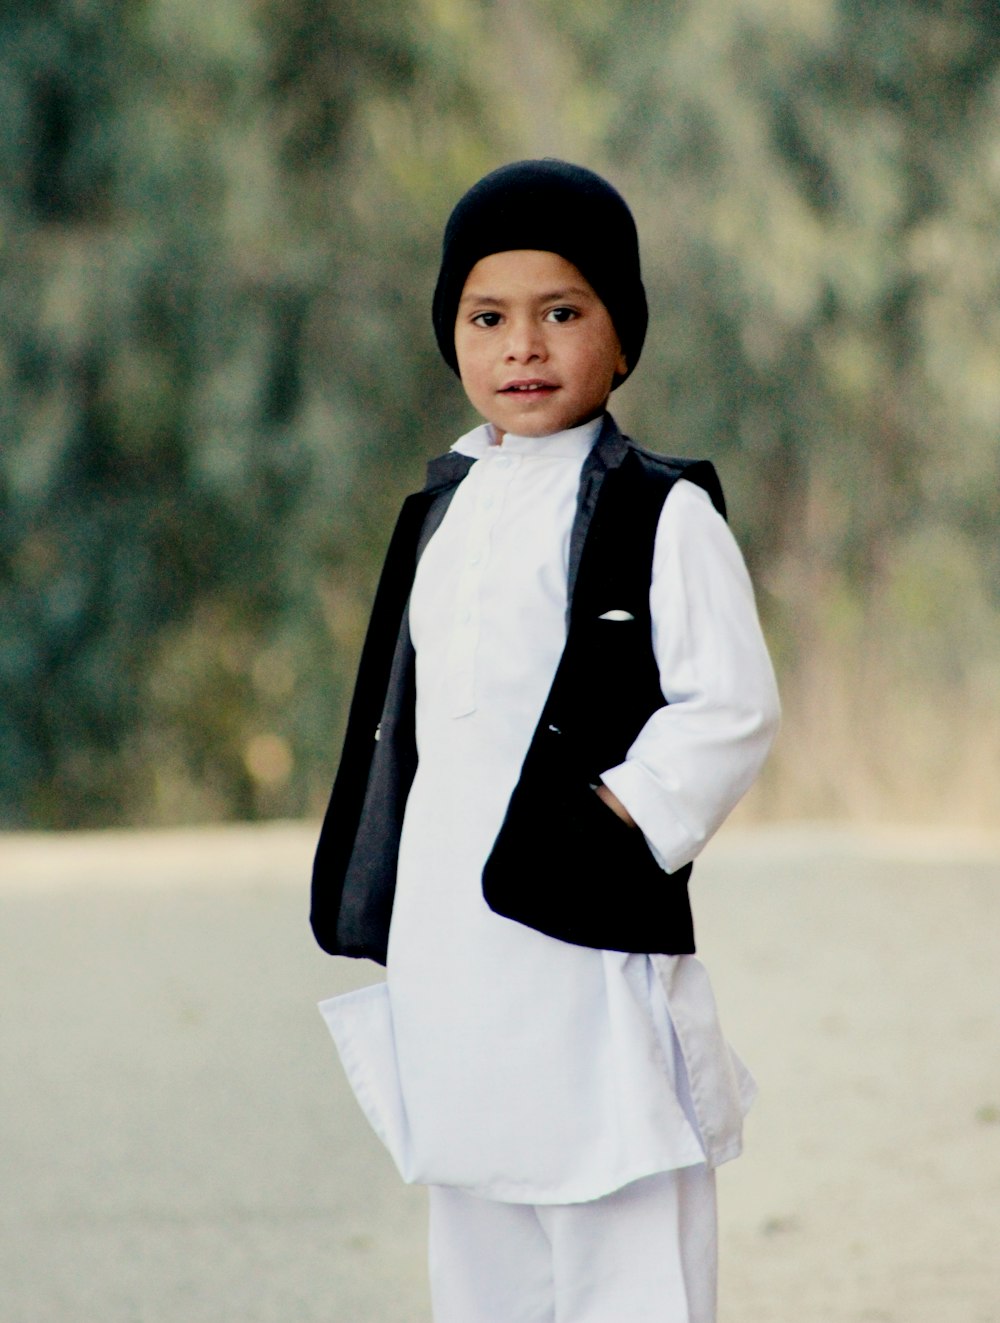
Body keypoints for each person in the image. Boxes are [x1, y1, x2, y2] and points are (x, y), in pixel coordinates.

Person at [310, 159, 780, 1323]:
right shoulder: (442, 511)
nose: (522, 345)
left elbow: (730, 703)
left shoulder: (661, 511)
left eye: (560, 313)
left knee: (623, 1227)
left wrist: (619, 810)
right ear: (452, 337)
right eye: (488, 318)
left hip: (587, 937)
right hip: (451, 947)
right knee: (481, 1229)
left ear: (620, 340)